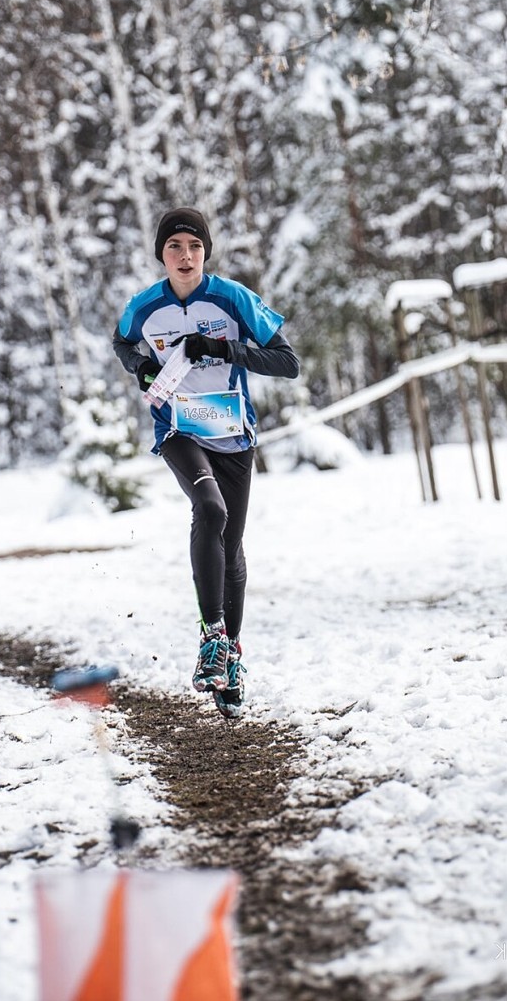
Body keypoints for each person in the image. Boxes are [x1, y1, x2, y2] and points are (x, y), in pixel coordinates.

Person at [112, 207, 300, 718]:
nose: (185, 256)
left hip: (233, 433)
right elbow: (123, 342)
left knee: (232, 547)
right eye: (174, 247)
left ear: (205, 253)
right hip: (180, 428)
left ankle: (228, 658)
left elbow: (288, 362)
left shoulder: (232, 299)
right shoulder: (145, 307)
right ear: (162, 255)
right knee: (210, 512)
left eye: (194, 247)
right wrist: (143, 368)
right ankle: (213, 634)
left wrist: (224, 347)